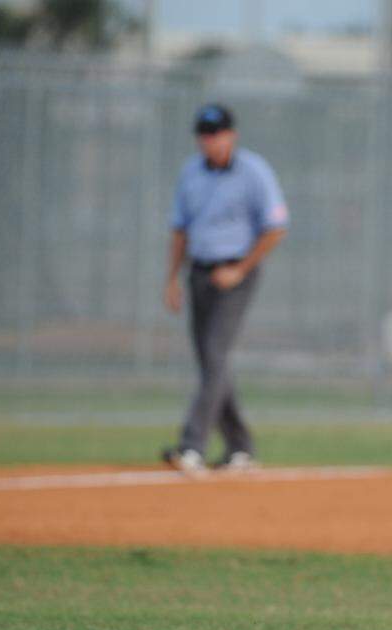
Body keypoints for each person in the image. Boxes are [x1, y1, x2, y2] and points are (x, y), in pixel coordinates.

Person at [161, 104, 289, 474]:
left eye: (215, 132)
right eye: (203, 133)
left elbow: (276, 226)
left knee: (215, 353)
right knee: (211, 361)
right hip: (199, 273)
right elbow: (180, 229)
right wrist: (172, 277)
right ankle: (240, 447)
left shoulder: (253, 171)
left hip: (237, 275)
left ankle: (192, 445)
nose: (209, 140)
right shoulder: (191, 173)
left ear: (231, 135)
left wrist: (240, 269)